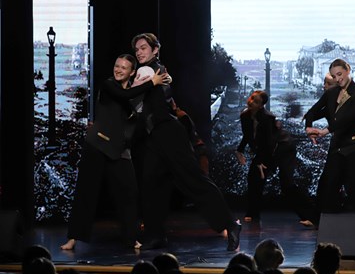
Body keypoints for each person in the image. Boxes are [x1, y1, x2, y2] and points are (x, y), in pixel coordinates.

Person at [130, 32, 241, 251]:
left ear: (155, 50)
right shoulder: (157, 70)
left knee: (192, 180)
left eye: (143, 48)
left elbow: (134, 96)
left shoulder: (148, 71)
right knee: (152, 185)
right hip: (155, 134)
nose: (139, 52)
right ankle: (155, 235)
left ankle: (230, 224)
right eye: (136, 49)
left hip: (168, 132)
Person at [60, 53, 169, 250]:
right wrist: (152, 82)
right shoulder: (109, 85)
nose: (118, 70)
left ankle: (131, 238)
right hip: (97, 145)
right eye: (117, 66)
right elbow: (124, 95)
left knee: (129, 194)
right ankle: (73, 238)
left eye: (123, 68)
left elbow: (142, 104)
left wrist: (162, 81)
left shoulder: (135, 96)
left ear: (132, 73)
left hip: (119, 150)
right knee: (86, 193)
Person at [303, 58, 355, 233]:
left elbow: (344, 120)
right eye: (334, 76)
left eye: (340, 74)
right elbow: (313, 111)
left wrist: (324, 131)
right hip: (337, 147)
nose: (337, 78)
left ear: (348, 70)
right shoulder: (331, 93)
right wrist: (309, 127)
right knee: (328, 185)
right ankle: (326, 225)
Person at [235, 90, 317, 225]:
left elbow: (270, 142)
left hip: (283, 149)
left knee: (287, 185)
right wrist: (240, 150)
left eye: (256, 101)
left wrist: (261, 161)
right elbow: (248, 135)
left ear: (261, 105)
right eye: (251, 98)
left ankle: (311, 216)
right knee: (254, 178)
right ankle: (252, 212)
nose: (251, 102)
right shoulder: (245, 116)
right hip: (266, 151)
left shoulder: (267, 118)